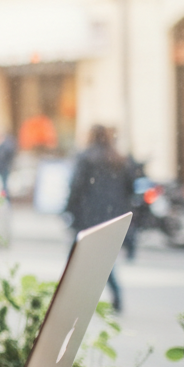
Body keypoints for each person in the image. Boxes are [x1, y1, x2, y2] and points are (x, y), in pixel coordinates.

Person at [65, 124, 134, 311]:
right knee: (103, 258)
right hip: (113, 215)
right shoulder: (119, 159)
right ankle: (114, 296)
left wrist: (69, 210)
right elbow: (130, 188)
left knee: (78, 259)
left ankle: (73, 300)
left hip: (89, 216)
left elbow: (76, 187)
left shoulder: (86, 158)